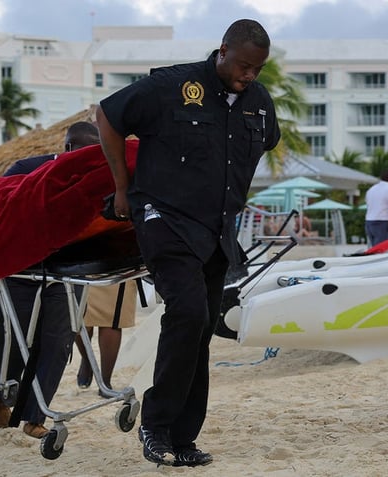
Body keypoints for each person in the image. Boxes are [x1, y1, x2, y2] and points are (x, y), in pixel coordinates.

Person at [96, 19, 280, 467]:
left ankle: (183, 438)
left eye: (256, 69)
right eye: (242, 65)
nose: (248, 75)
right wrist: (122, 188)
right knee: (189, 312)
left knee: (201, 328)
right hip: (165, 219)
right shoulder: (172, 85)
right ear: (221, 51)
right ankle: (154, 425)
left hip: (218, 231)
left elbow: (265, 143)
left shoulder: (258, 103)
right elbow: (107, 116)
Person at [0, 121, 99, 439]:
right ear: (67, 150)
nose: (92, 161)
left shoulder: (102, 176)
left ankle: (35, 416)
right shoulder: (26, 168)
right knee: (9, 337)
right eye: (86, 153)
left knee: (60, 340)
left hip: (66, 270)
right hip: (17, 265)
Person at [74, 280, 137, 390]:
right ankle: (86, 358)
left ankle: (105, 381)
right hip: (81, 269)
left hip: (117, 268)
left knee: (111, 319)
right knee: (80, 318)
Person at [364, 170, 388, 246]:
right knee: (381, 248)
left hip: (368, 222)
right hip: (381, 222)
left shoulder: (371, 190)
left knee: (374, 247)